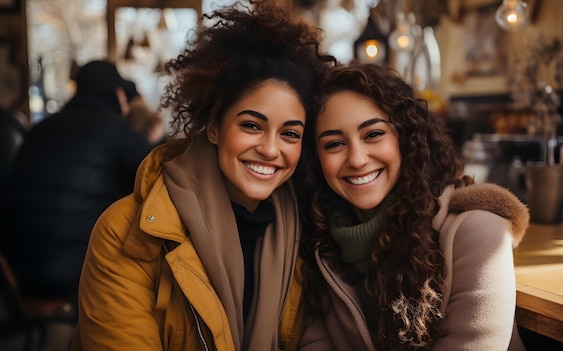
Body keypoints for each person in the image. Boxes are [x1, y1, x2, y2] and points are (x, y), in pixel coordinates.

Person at [70, 2, 335, 350]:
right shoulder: (123, 232)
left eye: (290, 134)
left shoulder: (308, 230)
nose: (271, 149)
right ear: (213, 128)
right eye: (252, 126)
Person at [295, 63, 529, 350]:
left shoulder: (479, 232)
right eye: (334, 144)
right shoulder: (320, 246)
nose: (356, 159)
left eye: (373, 134)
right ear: (316, 160)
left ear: (406, 137)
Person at [1, 60, 153, 303]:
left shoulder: (42, 128)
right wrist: (156, 135)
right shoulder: (114, 128)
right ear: (118, 96)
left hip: (14, 269)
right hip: (67, 270)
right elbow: (157, 173)